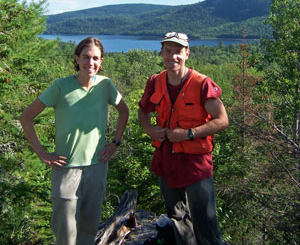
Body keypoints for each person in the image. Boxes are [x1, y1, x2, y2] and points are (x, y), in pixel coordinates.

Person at [20, 37, 129, 245]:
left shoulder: (105, 85)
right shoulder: (60, 87)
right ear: (76, 59)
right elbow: (26, 117)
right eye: (86, 57)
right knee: (65, 234)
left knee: (88, 230)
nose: (91, 62)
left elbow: (124, 111)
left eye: (96, 58)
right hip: (66, 168)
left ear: (101, 61)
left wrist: (115, 144)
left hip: (96, 167)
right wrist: (41, 153)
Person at [138, 32, 229, 245]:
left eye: (178, 51)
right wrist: (149, 129)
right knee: (177, 217)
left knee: (205, 221)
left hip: (196, 164)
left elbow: (223, 120)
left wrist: (189, 133)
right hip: (167, 160)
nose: (173, 57)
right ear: (161, 53)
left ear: (187, 53)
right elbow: (143, 110)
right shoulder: (155, 81)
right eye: (168, 51)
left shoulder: (201, 83)